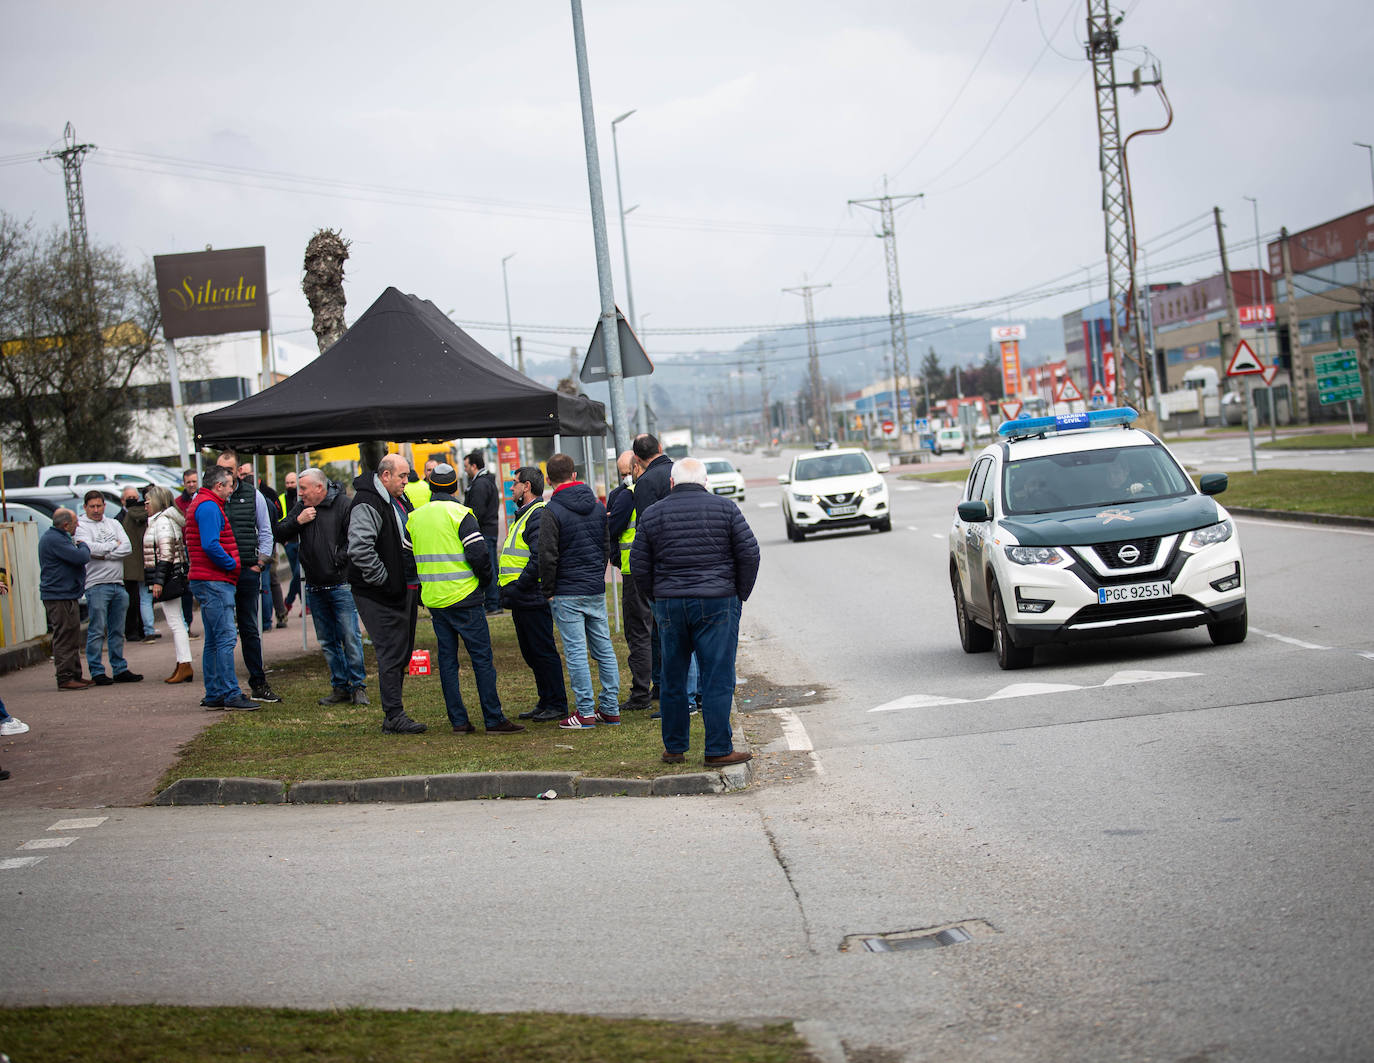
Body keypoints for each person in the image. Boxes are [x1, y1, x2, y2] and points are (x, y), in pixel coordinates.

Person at [630, 457, 760, 767]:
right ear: (705, 483)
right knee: (717, 676)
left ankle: (674, 747)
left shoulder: (652, 514)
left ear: (671, 483)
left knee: (673, 677)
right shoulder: (726, 509)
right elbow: (750, 553)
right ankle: (717, 748)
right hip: (718, 602)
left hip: (670, 604)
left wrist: (656, 597)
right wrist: (738, 594)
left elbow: (638, 563)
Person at [409, 463, 523, 735]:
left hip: (435, 600)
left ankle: (458, 721)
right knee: (481, 660)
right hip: (465, 598)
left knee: (447, 662)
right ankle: (493, 719)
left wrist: (421, 589)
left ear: (430, 485)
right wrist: (484, 584)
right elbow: (480, 555)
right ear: (455, 487)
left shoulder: (415, 518)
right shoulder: (461, 514)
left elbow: (406, 559)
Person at [537, 452, 620, 729]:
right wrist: (598, 576)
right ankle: (610, 708)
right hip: (593, 587)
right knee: (604, 649)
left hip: (566, 590)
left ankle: (584, 712)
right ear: (574, 475)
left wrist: (548, 590)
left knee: (576, 652)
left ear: (549, 480)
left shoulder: (552, 510)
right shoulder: (597, 506)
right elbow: (605, 545)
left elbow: (547, 554)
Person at [347, 453, 426, 734]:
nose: (407, 481)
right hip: (379, 592)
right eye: (402, 476)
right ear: (385, 475)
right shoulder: (368, 502)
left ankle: (395, 713)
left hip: (403, 587)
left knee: (401, 651)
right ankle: (393, 715)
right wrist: (384, 580)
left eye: (407, 476)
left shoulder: (399, 500)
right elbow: (360, 548)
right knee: (391, 652)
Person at [277, 467, 368, 706]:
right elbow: (279, 531)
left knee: (350, 636)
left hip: (340, 584)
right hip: (314, 585)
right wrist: (298, 520)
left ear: (320, 487)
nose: (300, 494)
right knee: (327, 641)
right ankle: (340, 686)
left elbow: (356, 538)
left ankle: (358, 686)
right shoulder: (302, 508)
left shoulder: (343, 505)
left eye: (304, 489)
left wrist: (339, 559)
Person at [186, 464, 259, 711]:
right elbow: (210, 544)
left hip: (208, 579)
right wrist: (231, 564)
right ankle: (230, 692)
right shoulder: (208, 506)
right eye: (229, 486)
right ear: (218, 486)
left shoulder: (203, 503)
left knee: (215, 639)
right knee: (226, 638)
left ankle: (215, 692)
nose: (231, 490)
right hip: (214, 580)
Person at [501, 466, 570, 723]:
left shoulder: (537, 515)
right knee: (531, 652)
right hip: (522, 597)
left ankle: (557, 703)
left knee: (542, 651)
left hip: (530, 596)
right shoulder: (524, 514)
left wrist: (520, 585)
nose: (511, 488)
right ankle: (545, 700)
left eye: (515, 483)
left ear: (527, 487)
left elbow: (538, 556)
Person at [216, 451, 281, 703]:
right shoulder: (212, 496)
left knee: (249, 628)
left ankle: (258, 681)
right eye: (222, 469)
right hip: (220, 573)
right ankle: (222, 687)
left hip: (246, 570)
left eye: (230, 470)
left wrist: (261, 563)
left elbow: (266, 530)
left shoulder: (252, 494)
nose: (226, 474)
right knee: (221, 631)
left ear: (239, 471)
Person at [74, 490, 142, 685]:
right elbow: (88, 549)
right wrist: (113, 546)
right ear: (85, 507)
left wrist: (104, 552)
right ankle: (97, 670)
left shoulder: (113, 523)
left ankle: (120, 668)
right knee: (96, 630)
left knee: (117, 630)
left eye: (99, 505)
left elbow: (127, 547)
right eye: (92, 506)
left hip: (118, 584)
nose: (96, 510)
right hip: (96, 585)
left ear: (105, 505)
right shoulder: (81, 526)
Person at [606, 450, 652, 713]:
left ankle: (640, 693)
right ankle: (653, 688)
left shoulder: (628, 496)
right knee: (651, 631)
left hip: (634, 571)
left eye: (626, 473)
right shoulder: (651, 490)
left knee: (638, 633)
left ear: (636, 467)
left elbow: (611, 529)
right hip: (646, 570)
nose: (624, 478)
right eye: (620, 474)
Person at [631, 433, 673, 699]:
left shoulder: (645, 483)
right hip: (691, 564)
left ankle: (663, 685)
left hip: (662, 569)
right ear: (660, 447)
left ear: (637, 458)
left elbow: (645, 532)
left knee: (662, 631)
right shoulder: (680, 470)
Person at [143, 485, 194, 684]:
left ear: (157, 502)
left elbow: (165, 554)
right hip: (173, 576)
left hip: (168, 578)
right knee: (177, 621)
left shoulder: (162, 522)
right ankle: (182, 663)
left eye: (148, 501)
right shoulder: (166, 520)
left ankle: (185, 663)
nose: (145, 505)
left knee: (175, 622)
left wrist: (158, 581)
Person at [38, 506, 92, 690]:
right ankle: (65, 677)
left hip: (66, 593)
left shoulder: (59, 537)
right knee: (64, 636)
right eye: (76, 523)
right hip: (58, 595)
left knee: (72, 635)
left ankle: (75, 674)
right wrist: (83, 544)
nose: (78, 526)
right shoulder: (55, 540)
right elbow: (81, 557)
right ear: (66, 525)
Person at [463, 449, 502, 615]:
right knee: (491, 564)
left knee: (489, 566)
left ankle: (493, 603)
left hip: (484, 530)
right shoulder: (486, 481)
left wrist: (468, 527)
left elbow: (476, 511)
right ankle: (495, 600)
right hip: (490, 529)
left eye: (466, 466)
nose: (464, 470)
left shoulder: (480, 484)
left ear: (473, 466)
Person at [118, 486, 158, 643]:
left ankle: (145, 630)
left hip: (134, 564)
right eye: (130, 497)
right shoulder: (147, 516)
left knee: (140, 599)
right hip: (141, 562)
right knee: (139, 599)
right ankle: (141, 630)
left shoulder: (128, 517)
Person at [174, 469, 200, 638]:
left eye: (194, 481)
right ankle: (187, 623)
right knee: (186, 589)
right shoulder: (177, 503)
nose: (191, 485)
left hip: (200, 547)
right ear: (184, 483)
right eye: (188, 482)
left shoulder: (204, 499)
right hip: (184, 548)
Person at [278, 470, 302, 617]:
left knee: (299, 574)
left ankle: (290, 600)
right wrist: (283, 540)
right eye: (287, 483)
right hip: (289, 542)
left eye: (292, 482)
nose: (290, 485)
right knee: (296, 574)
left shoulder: (302, 496)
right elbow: (279, 521)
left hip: (301, 540)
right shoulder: (281, 498)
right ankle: (303, 603)